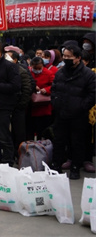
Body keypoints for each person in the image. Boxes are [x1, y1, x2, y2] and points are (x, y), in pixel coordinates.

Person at [51, 44, 96, 180]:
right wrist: (56, 103)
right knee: (59, 141)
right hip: (61, 113)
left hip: (78, 115)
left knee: (77, 142)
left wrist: (82, 106)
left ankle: (75, 168)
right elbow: (54, 89)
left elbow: (93, 94)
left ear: (78, 58)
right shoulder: (60, 72)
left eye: (69, 57)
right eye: (64, 56)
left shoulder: (88, 74)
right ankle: (56, 166)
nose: (66, 59)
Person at [5, 49, 33, 155]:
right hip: (6, 106)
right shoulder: (4, 70)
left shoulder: (21, 71)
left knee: (19, 132)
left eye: (8, 57)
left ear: (15, 60)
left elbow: (27, 89)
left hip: (18, 106)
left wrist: (21, 104)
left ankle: (19, 153)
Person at [28, 56, 55, 139]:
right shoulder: (28, 72)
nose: (37, 70)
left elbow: (54, 86)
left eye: (39, 68)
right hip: (31, 105)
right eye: (35, 68)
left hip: (44, 105)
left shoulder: (48, 73)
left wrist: (46, 90)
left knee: (43, 129)